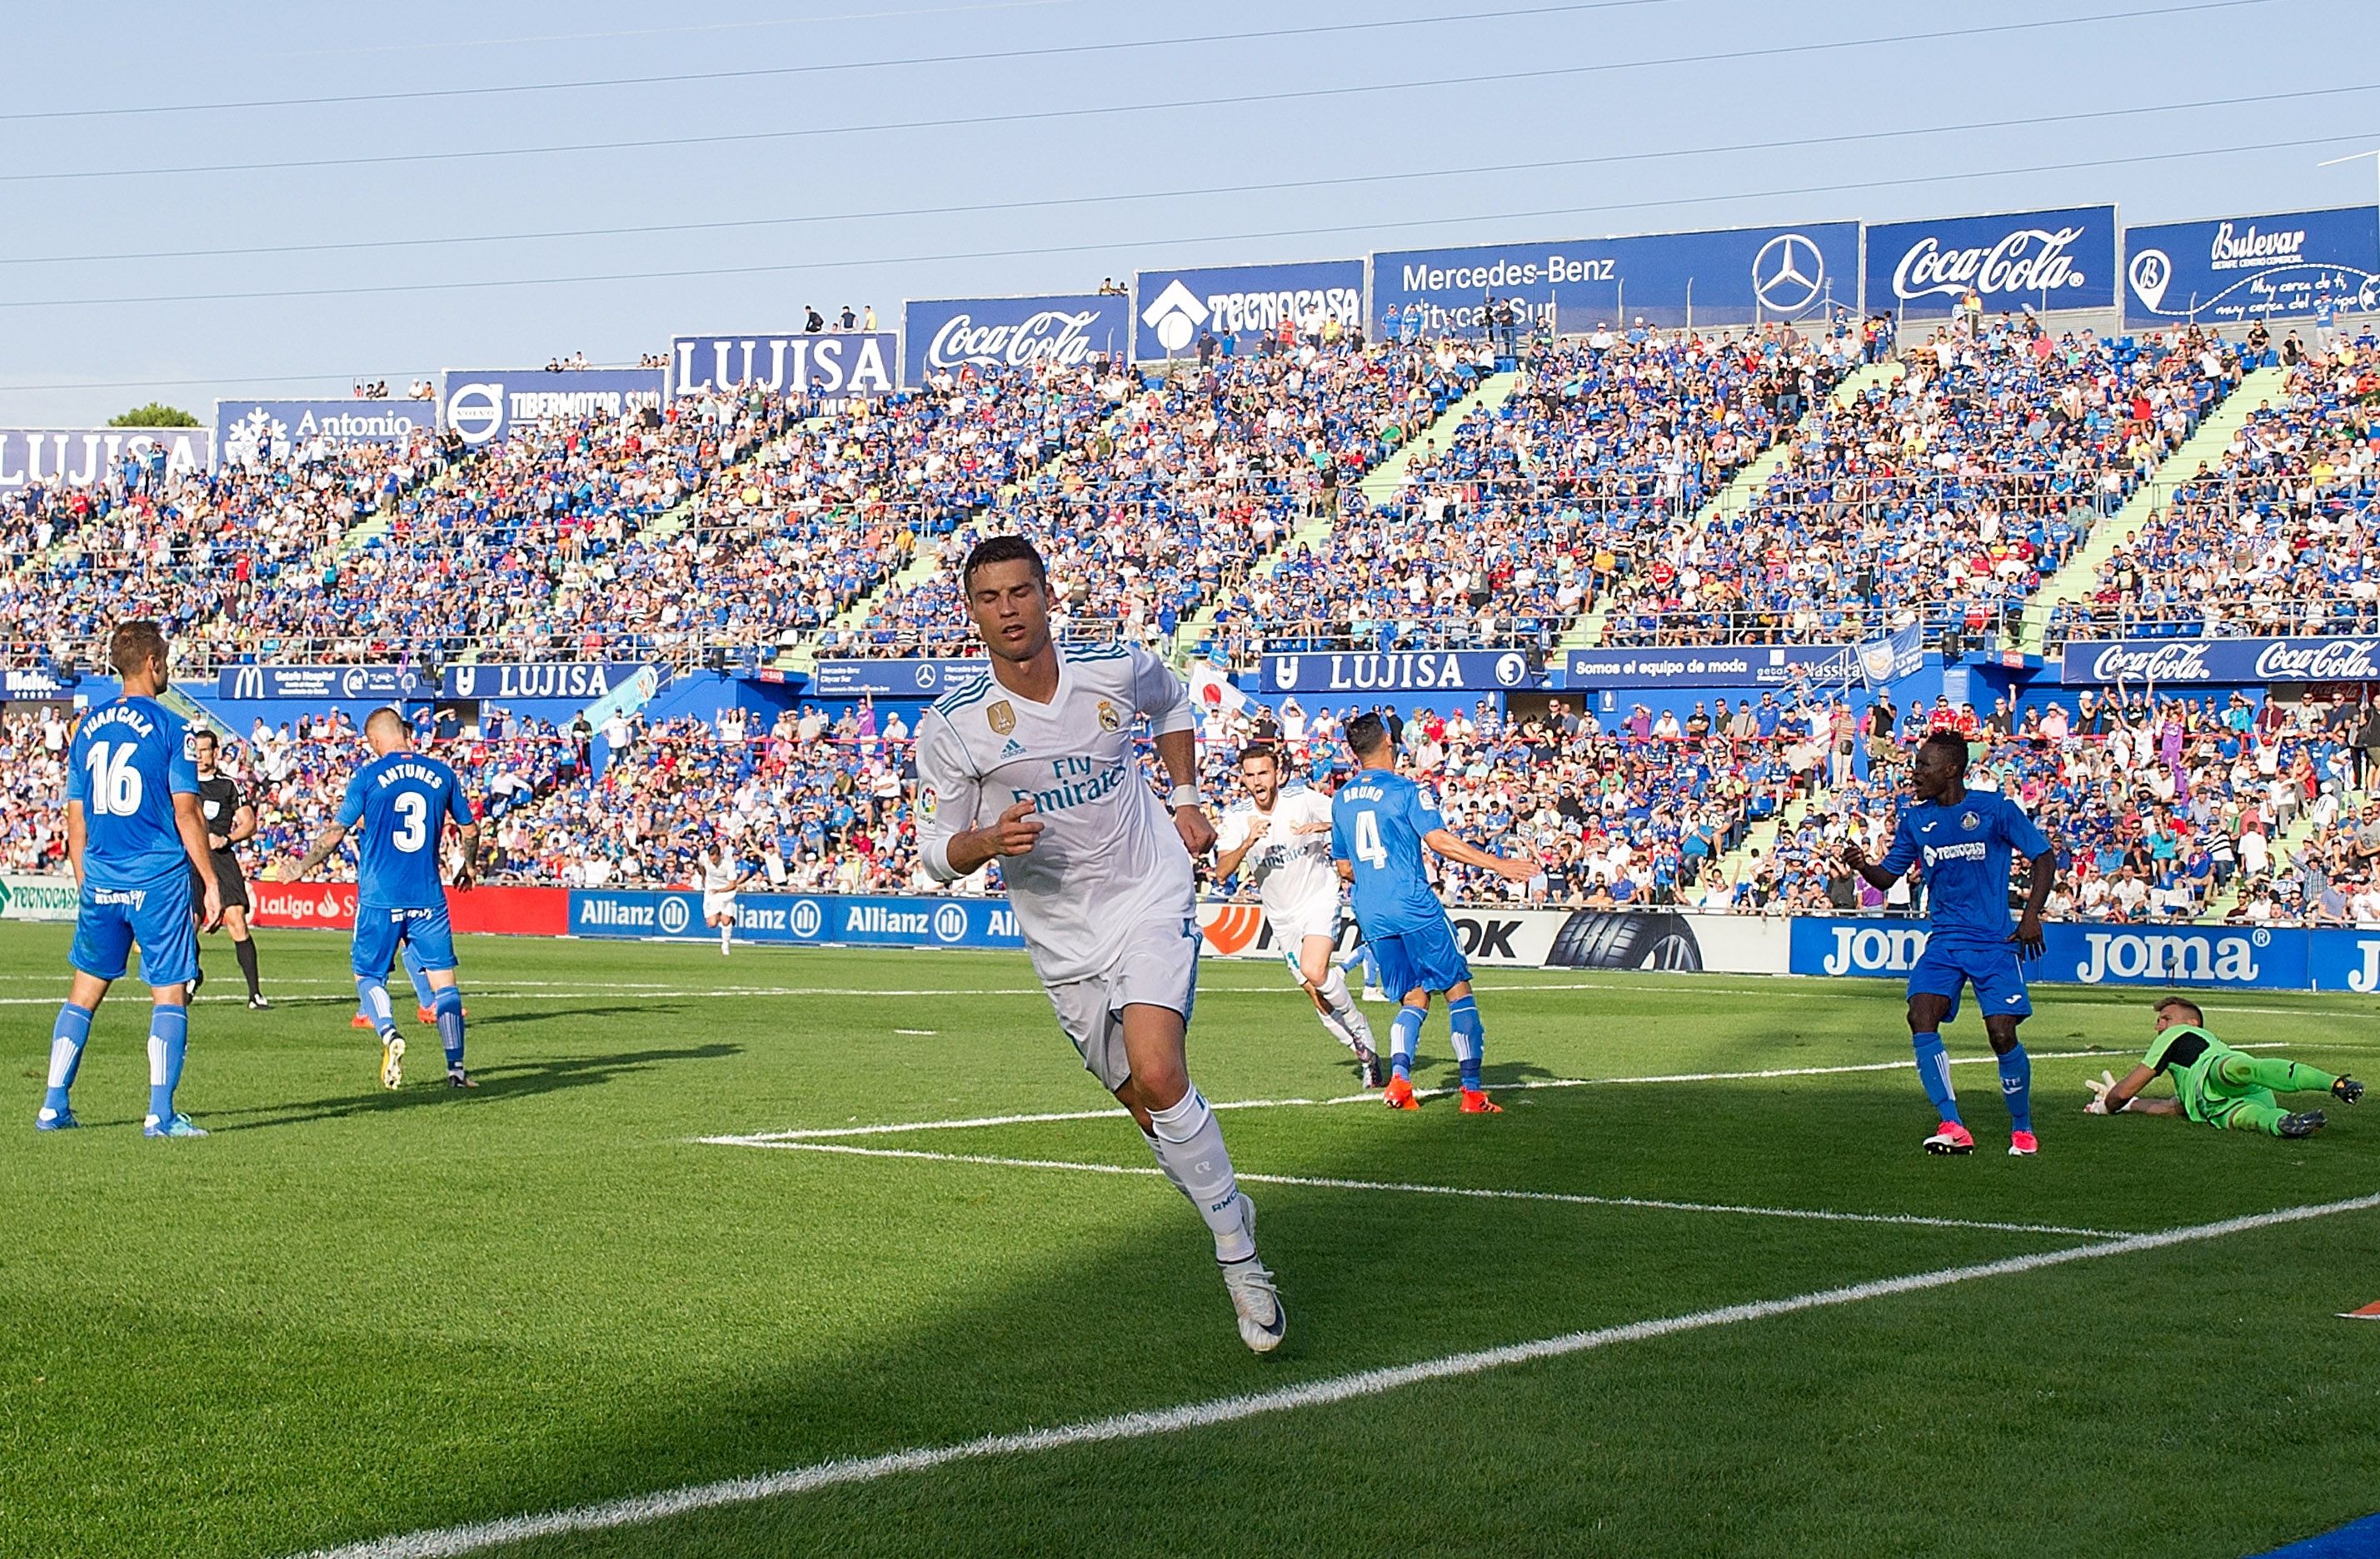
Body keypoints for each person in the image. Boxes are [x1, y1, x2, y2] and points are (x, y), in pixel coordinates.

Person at [914, 535, 1284, 1354]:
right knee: (1146, 1108)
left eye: (1020, 592)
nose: (1008, 610)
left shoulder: (1115, 667)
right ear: (971, 613)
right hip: (1061, 935)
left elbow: (1176, 703)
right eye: (990, 598)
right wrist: (984, 841)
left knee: (1160, 1069)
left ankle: (1240, 1258)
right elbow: (935, 856)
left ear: (1048, 596)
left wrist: (1185, 798)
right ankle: (1225, 1201)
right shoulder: (953, 728)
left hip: (1147, 890)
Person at [39, 621, 222, 1138]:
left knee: (83, 993)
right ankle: (160, 1114)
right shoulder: (172, 728)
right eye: (165, 659)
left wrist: (86, 881)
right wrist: (209, 881)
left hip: (101, 878)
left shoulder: (89, 727)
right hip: (157, 878)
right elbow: (187, 813)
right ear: (153, 664)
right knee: (170, 992)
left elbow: (75, 821)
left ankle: (54, 1105)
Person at [1844, 730, 2057, 1157]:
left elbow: (2044, 856)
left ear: (1951, 769)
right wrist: (1862, 866)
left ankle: (2022, 1128)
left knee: (2001, 1035)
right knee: (1921, 1014)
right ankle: (1953, 1124)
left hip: (1994, 942)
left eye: (1924, 765)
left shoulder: (1994, 810)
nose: (1915, 772)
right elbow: (1888, 878)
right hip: (1944, 941)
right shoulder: (1916, 820)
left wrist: (2031, 914)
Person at [1330, 711, 1535, 1113]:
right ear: (1389, 742)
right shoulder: (1406, 791)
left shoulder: (1341, 799)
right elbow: (1438, 839)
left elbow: (1344, 868)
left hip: (1371, 910)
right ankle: (1473, 1092)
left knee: (1414, 996)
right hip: (1413, 904)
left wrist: (1378, 876)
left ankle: (1401, 1083)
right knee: (1457, 989)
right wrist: (1499, 865)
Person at [285, 709, 480, 1091]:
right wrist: (468, 866)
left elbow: (335, 833)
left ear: (375, 741)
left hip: (380, 897)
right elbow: (469, 829)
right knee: (446, 985)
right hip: (428, 897)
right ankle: (456, 1070)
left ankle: (390, 1033)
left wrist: (302, 866)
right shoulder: (442, 774)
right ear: (405, 735)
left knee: (368, 975)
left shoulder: (368, 777)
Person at [1213, 744, 1380, 1085]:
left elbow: (1346, 818)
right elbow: (1220, 872)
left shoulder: (1302, 799)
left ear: (1277, 774)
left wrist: (1320, 828)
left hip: (1319, 897)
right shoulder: (1235, 817)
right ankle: (1364, 1053)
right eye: (1250, 774)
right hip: (1281, 916)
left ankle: (1360, 1025)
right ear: (1243, 779)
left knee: (1313, 969)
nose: (1257, 780)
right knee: (1315, 994)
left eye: (1263, 772)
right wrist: (1246, 843)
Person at [2086, 996, 2362, 1138]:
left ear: (2192, 1024)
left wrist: (2109, 1104)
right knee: (2250, 1090)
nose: (2159, 1025)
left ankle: (2329, 1087)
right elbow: (2171, 1108)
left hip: (2214, 1079)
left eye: (2166, 1018)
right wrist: (2130, 1105)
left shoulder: (2175, 1037)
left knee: (2239, 1072)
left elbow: (2127, 1087)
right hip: (2230, 1098)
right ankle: (2291, 1118)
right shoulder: (2182, 1071)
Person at [189, 730, 267, 1009]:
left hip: (220, 858)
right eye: (195, 751)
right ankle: (191, 974)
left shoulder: (228, 785)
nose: (199, 756)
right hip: (188, 858)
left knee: (237, 920)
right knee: (190, 923)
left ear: (215, 752)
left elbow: (249, 823)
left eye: (204, 750)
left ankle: (255, 994)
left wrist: (227, 839)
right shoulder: (183, 783)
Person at [701, 841, 752, 956]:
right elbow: (700, 865)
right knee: (712, 924)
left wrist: (719, 891)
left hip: (726, 892)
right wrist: (703, 878)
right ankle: (725, 916)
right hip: (711, 892)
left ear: (719, 856)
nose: (713, 862)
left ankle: (725, 945)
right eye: (711, 859)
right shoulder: (705, 859)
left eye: (715, 859)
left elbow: (733, 885)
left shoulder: (728, 864)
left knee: (725, 921)